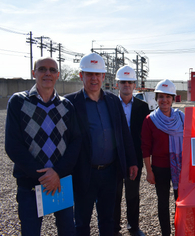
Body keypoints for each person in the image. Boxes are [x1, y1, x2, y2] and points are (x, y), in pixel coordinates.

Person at [5, 57, 81, 236]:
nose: (48, 73)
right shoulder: (18, 102)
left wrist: (57, 172)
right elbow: (12, 145)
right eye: (42, 69)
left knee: (68, 231)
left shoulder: (66, 106)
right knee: (30, 232)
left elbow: (76, 141)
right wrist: (45, 176)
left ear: (58, 75)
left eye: (52, 70)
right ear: (34, 73)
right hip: (30, 185)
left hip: (60, 182)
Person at [65, 53, 138, 236]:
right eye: (89, 74)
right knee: (81, 221)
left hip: (110, 173)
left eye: (98, 74)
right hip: (84, 172)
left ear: (104, 77)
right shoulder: (70, 103)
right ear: (81, 76)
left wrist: (132, 161)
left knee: (108, 219)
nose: (94, 78)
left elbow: (124, 134)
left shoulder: (113, 101)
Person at [141, 79, 184, 236]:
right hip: (160, 168)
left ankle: (181, 230)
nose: (164, 100)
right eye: (161, 96)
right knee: (163, 202)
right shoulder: (150, 120)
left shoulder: (181, 118)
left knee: (180, 202)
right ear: (156, 98)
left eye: (168, 96)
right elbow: (145, 148)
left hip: (181, 167)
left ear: (173, 98)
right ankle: (166, 233)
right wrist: (149, 171)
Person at [114, 66, 149, 236]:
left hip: (134, 156)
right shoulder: (111, 104)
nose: (126, 85)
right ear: (117, 84)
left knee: (132, 193)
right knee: (114, 193)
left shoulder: (143, 107)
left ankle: (133, 226)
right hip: (113, 157)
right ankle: (114, 228)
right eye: (123, 82)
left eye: (129, 82)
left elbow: (146, 133)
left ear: (135, 85)